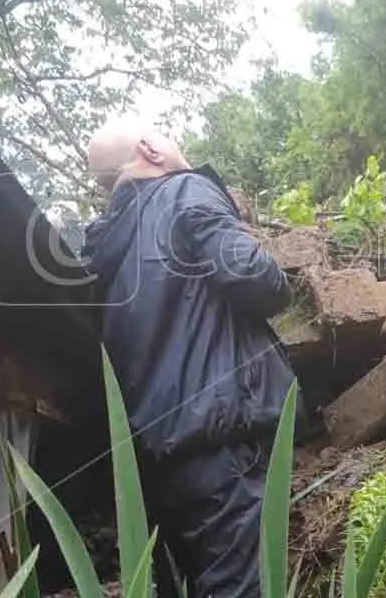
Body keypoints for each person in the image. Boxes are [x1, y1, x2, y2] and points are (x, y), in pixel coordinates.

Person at [82, 120, 297, 597]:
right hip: (223, 447)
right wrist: (282, 283)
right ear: (150, 149)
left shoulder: (104, 251)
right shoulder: (183, 192)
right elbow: (255, 277)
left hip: (161, 462)